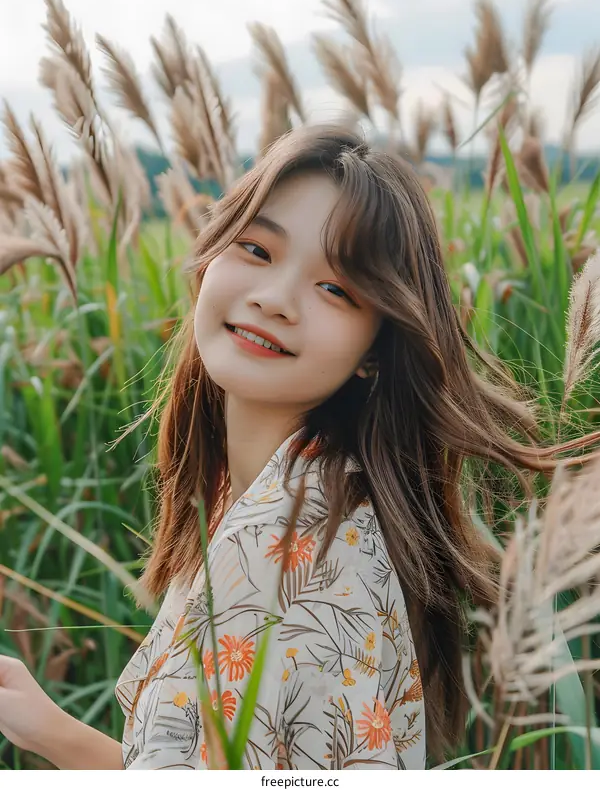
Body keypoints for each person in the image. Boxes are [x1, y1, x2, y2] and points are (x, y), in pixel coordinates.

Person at [1, 125, 598, 770]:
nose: (276, 299)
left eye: (337, 289)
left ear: (374, 351)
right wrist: (51, 731)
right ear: (210, 256)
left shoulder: (297, 541)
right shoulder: (284, 499)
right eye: (257, 249)